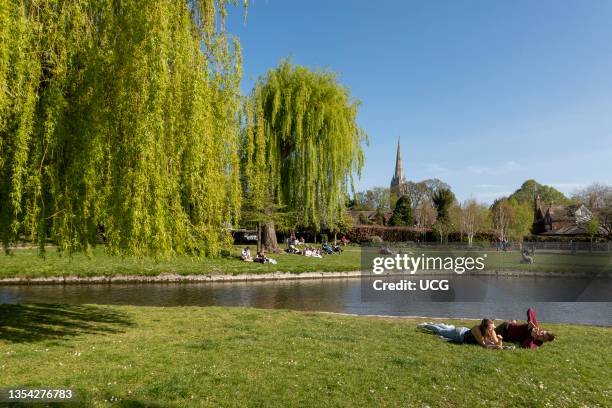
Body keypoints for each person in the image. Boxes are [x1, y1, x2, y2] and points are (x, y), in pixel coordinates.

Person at [418, 318, 506, 349]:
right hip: (459, 334)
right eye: (491, 328)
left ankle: (440, 325)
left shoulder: (492, 331)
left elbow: (498, 345)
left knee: (445, 330)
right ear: (485, 327)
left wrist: (500, 340)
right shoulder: (477, 329)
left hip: (462, 331)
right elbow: (483, 345)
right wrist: (495, 346)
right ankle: (426, 325)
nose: (493, 329)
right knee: (441, 331)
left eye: (493, 327)